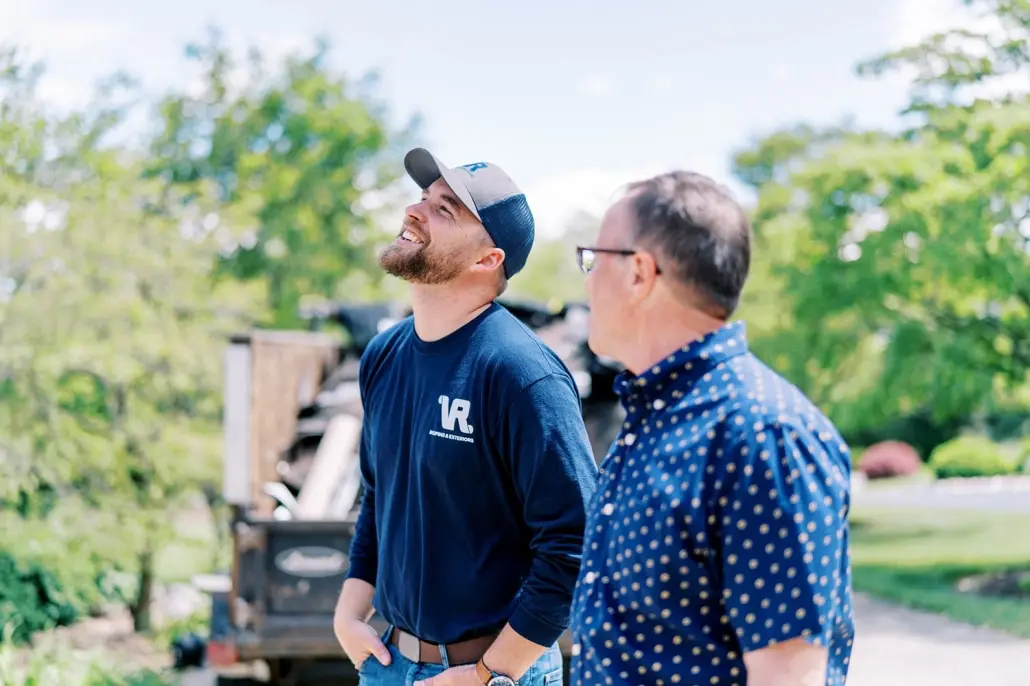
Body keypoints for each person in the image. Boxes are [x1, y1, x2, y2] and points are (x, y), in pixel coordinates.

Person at [568, 171, 855, 686]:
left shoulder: (764, 436)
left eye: (592, 259)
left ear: (639, 273)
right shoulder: (649, 420)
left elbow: (789, 677)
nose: (586, 281)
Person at [333, 147, 599, 686]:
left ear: (487, 260)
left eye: (445, 209)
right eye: (424, 198)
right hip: (387, 665)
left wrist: (487, 674)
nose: (415, 210)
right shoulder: (383, 357)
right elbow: (379, 497)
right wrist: (347, 614)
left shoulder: (523, 374)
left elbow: (576, 544)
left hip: (495, 675)